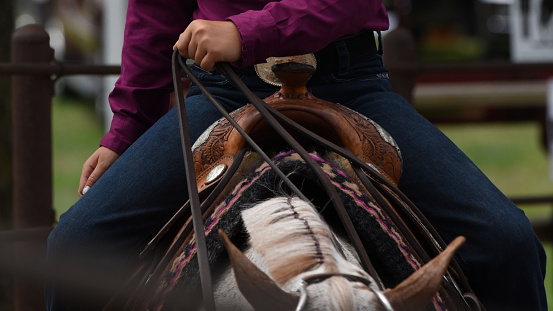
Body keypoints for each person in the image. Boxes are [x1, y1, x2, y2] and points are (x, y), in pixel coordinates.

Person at [46, 0, 547, 310]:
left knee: (507, 242)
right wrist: (125, 131)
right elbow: (154, 19)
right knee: (74, 245)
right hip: (224, 91)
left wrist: (246, 33)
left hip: (347, 83)